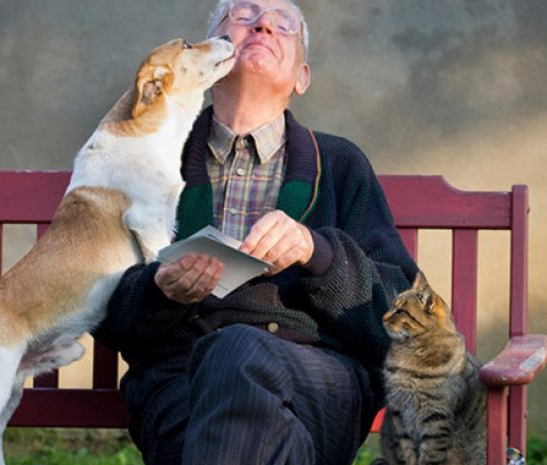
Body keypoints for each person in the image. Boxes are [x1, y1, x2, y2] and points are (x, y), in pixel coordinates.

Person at [92, 1, 418, 464]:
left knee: (237, 352)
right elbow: (101, 309)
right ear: (210, 55)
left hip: (317, 385)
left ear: (301, 77)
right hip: (180, 384)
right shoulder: (150, 164)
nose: (263, 23)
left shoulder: (341, 165)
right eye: (243, 16)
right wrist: (158, 289)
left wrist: (318, 252)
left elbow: (399, 316)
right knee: (245, 413)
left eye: (283, 24)